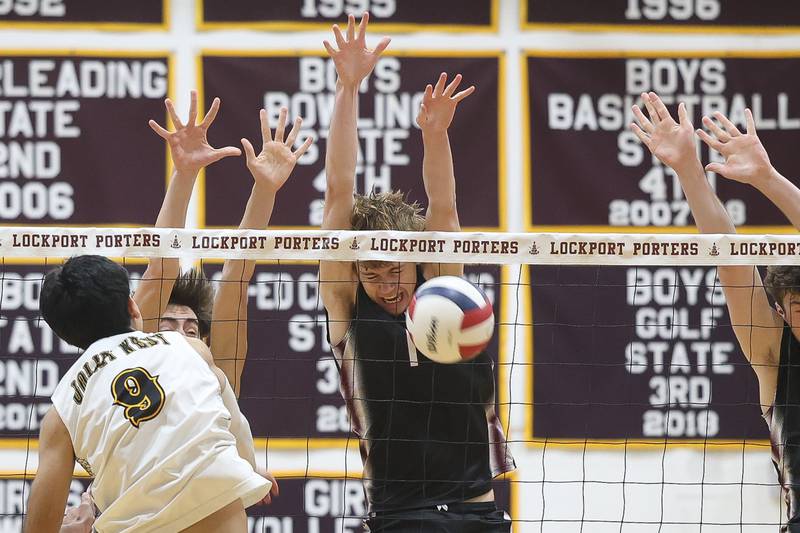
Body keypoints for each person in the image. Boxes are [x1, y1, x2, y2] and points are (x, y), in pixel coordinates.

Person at [319, 12, 514, 532]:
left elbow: (443, 209)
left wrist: (435, 135)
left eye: (395, 271)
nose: (386, 285)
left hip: (477, 510)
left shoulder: (443, 287)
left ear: (417, 261)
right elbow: (339, 192)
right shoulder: (349, 306)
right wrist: (348, 87)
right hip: (397, 514)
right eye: (372, 274)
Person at [630, 92, 800, 531]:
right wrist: (688, 168)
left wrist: (768, 178)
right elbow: (728, 258)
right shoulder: (773, 354)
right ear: (780, 312)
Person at [25, 255, 270, 532]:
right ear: (133, 307)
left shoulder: (60, 412)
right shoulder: (191, 348)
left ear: (64, 335)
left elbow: (40, 525)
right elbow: (234, 423)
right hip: (217, 512)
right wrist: (249, 467)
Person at [141, 92, 313, 395]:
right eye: (168, 328)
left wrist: (265, 190)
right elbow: (161, 266)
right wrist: (184, 174)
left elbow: (236, 274)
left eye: (192, 330)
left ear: (206, 343)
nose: (183, 337)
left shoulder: (216, 375)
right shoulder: (133, 365)